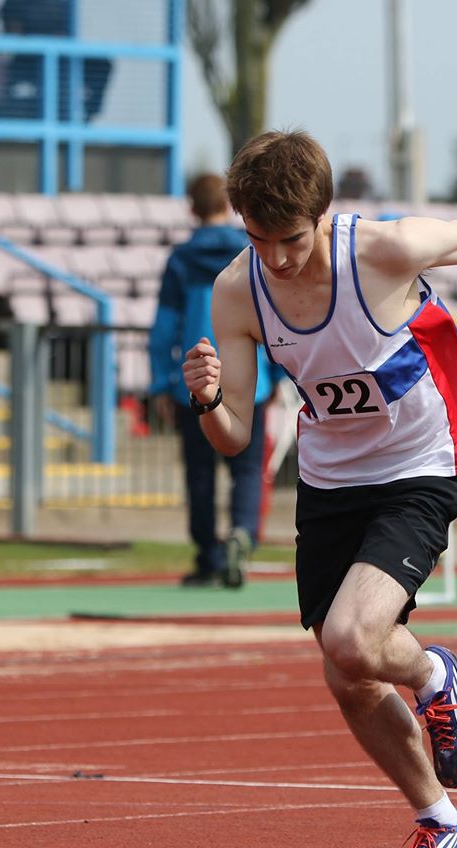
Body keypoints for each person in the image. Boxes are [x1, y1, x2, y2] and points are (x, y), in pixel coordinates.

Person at [183, 130, 457, 848]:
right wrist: (207, 399)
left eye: (292, 239)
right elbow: (233, 435)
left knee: (353, 636)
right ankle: (440, 821)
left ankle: (434, 673)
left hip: (419, 463)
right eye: (259, 239)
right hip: (331, 480)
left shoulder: (383, 251)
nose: (277, 258)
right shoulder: (237, 290)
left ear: (321, 215)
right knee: (348, 675)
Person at [150, 172, 280, 588]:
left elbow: (163, 328)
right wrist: (277, 374)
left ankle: (208, 556)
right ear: (228, 206)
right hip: (252, 380)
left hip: (194, 381)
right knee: (248, 469)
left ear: (191, 208)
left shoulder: (181, 260)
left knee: (200, 475)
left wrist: (161, 383)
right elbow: (276, 318)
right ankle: (242, 532)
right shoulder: (251, 254)